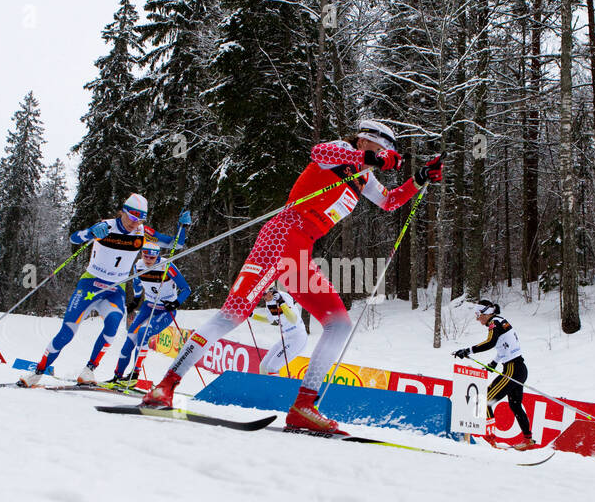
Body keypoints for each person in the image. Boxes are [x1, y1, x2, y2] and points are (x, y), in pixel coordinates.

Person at [142, 119, 444, 433]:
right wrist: (372, 159)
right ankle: (165, 386)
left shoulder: (363, 178)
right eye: (382, 149)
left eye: (388, 152)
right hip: (279, 236)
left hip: (299, 253)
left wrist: (420, 178)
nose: (385, 156)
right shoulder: (343, 152)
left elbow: (390, 201)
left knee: (338, 324)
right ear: (366, 141)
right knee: (232, 315)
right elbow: (318, 152)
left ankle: (304, 406)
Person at [19, 193, 149, 387]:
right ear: (122, 211)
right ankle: (37, 372)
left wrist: (183, 228)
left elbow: (172, 243)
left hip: (115, 289)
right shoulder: (106, 226)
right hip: (91, 284)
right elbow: (74, 238)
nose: (134, 223)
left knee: (113, 325)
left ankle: (88, 371)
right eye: (131, 217)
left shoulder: (142, 232)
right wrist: (90, 233)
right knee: (68, 331)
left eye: (140, 219)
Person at [107, 235, 192, 386]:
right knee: (130, 339)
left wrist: (176, 303)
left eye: (152, 257)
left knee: (143, 332)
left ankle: (134, 375)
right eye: (145, 256)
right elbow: (137, 284)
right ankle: (117, 376)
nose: (148, 260)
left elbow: (186, 289)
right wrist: (135, 300)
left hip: (166, 310)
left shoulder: (168, 266)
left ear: (157, 256)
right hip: (148, 306)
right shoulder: (138, 266)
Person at [452, 299, 535, 450]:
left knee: (484, 400)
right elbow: (503, 346)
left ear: (486, 312)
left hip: (512, 369)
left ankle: (490, 441)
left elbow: (490, 342)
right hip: (520, 369)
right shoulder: (501, 321)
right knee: (515, 405)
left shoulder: (493, 323)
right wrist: (494, 363)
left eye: (478, 314)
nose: (477, 318)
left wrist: (467, 350)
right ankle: (528, 440)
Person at [252, 285, 307, 376]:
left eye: (264, 294)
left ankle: (275, 389)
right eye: (261, 295)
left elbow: (293, 319)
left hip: (297, 338)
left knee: (272, 368)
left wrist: (281, 302)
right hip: (287, 337)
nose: (263, 298)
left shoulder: (283, 296)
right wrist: (252, 315)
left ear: (271, 291)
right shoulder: (269, 302)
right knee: (263, 366)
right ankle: (263, 388)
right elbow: (270, 320)